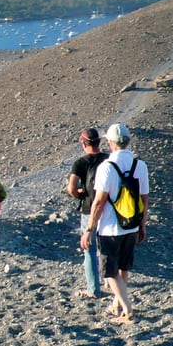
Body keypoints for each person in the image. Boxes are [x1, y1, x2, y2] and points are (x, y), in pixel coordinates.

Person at [81, 123, 149, 323]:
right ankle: (117, 304)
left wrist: (88, 229)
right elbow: (145, 199)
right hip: (132, 225)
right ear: (127, 141)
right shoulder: (140, 165)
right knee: (122, 268)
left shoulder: (107, 168)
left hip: (110, 227)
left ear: (109, 143)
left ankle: (127, 310)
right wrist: (143, 225)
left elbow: (99, 202)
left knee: (109, 272)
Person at [67, 128, 108, 298]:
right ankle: (110, 279)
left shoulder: (80, 163)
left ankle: (93, 289)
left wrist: (79, 194)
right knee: (105, 247)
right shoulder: (108, 159)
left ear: (84, 144)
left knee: (89, 248)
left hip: (88, 209)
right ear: (99, 142)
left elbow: (71, 188)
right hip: (109, 208)